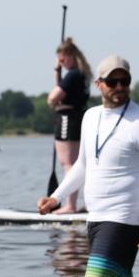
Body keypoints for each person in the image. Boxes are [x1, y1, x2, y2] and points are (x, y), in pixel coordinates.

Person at [37, 55, 139, 277]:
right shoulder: (90, 117)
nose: (120, 87)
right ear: (98, 84)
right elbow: (83, 165)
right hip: (95, 220)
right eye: (113, 82)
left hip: (123, 221)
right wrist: (56, 198)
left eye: (125, 81)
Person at [46, 37, 93, 213]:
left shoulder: (73, 74)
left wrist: (53, 94)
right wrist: (57, 74)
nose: (61, 63)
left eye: (62, 59)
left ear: (71, 56)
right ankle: (86, 203)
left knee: (68, 163)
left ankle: (70, 206)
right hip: (79, 117)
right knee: (77, 162)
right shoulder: (83, 74)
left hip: (67, 117)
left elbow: (53, 97)